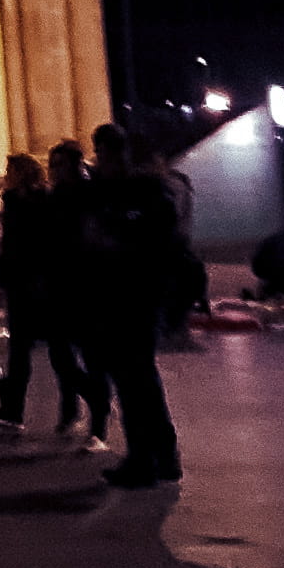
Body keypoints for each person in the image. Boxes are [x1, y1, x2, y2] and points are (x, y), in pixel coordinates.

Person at [81, 152, 195, 487]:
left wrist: (108, 242)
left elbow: (148, 251)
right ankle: (160, 456)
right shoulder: (130, 198)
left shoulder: (145, 200)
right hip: (132, 300)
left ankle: (145, 459)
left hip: (136, 301)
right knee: (140, 382)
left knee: (135, 383)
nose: (102, 164)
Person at [0, 148, 93, 442]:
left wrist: (38, 278)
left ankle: (88, 400)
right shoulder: (18, 202)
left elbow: (40, 244)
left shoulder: (40, 201)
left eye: (11, 172)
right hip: (24, 283)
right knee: (23, 351)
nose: (5, 178)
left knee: (59, 352)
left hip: (43, 285)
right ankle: (14, 410)